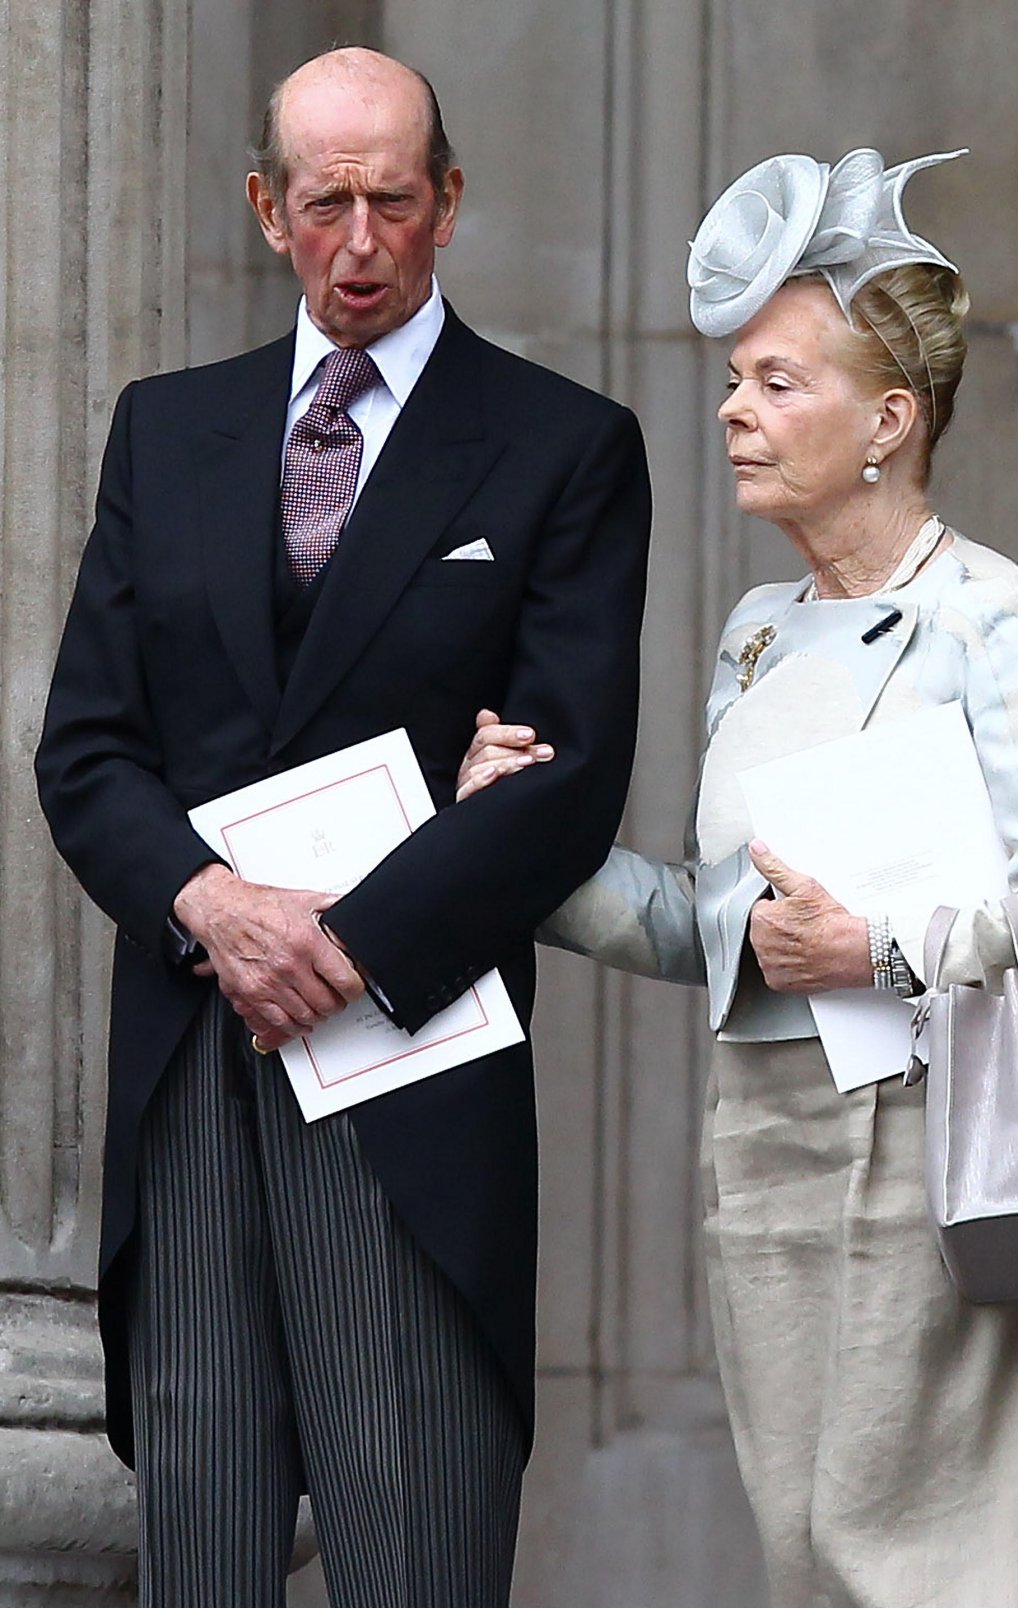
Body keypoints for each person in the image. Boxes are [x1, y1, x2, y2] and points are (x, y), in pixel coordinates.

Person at [456, 148, 1018, 1606]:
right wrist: (508, 841)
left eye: (778, 382)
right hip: (763, 1141)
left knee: (921, 1568)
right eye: (734, 380)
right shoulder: (759, 633)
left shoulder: (998, 618)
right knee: (810, 1560)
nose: (733, 411)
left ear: (889, 419)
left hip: (938, 1140)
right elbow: (722, 928)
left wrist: (883, 947)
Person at [35, 46, 651, 1608]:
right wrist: (209, 906)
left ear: (450, 203)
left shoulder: (562, 444)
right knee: (202, 1556)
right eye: (326, 204)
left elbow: (569, 773)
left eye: (393, 200)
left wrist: (340, 944)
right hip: (193, 1065)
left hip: (411, 1066)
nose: (360, 241)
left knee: (414, 1558)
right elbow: (89, 748)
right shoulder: (167, 432)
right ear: (266, 209)